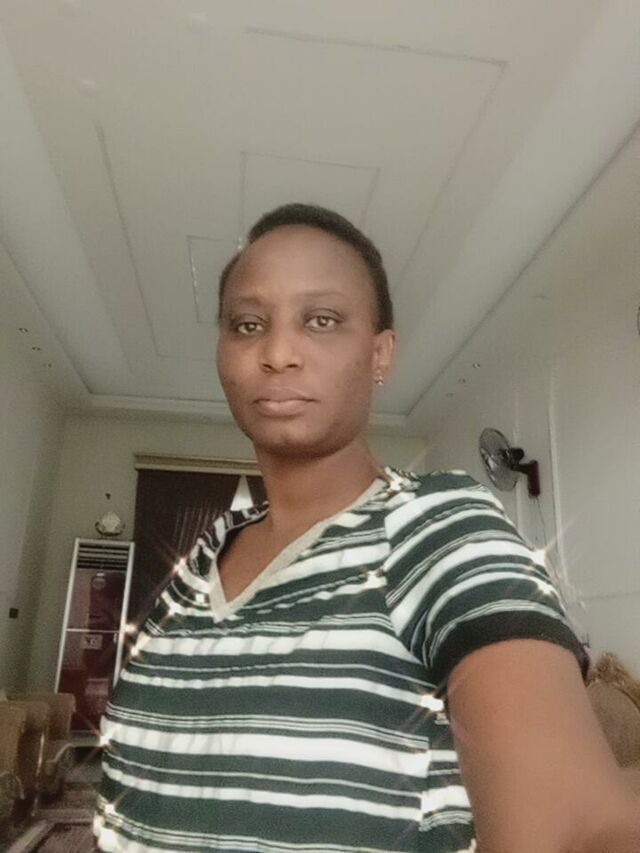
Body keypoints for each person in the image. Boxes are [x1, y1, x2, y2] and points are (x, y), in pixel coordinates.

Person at [95, 203, 638, 852]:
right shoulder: (202, 558)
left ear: (380, 353)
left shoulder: (434, 525)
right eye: (248, 324)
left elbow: (580, 826)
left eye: (321, 320)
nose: (278, 353)